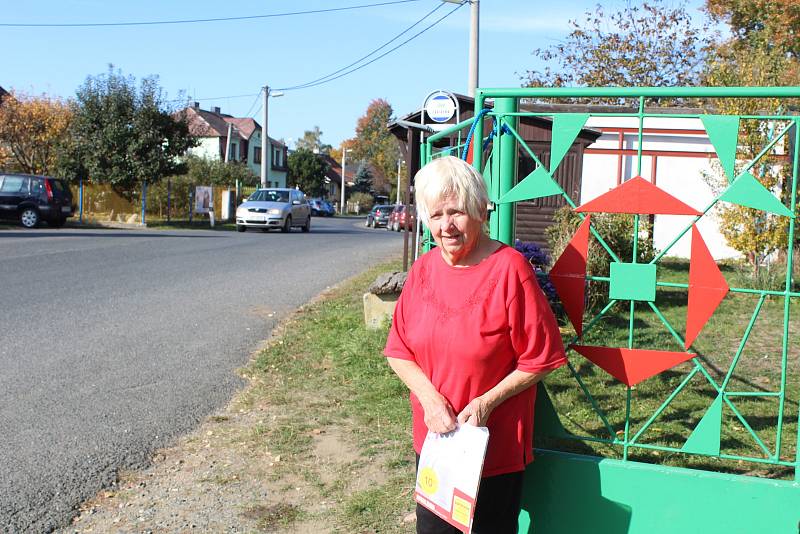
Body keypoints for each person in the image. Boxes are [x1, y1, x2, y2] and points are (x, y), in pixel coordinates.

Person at [383, 156, 567, 534]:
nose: (446, 226)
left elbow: (541, 359)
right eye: (436, 216)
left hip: (490, 448)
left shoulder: (510, 269)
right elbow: (399, 351)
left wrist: (485, 403)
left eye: (456, 212)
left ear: (480, 211)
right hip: (436, 441)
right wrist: (431, 402)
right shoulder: (423, 270)